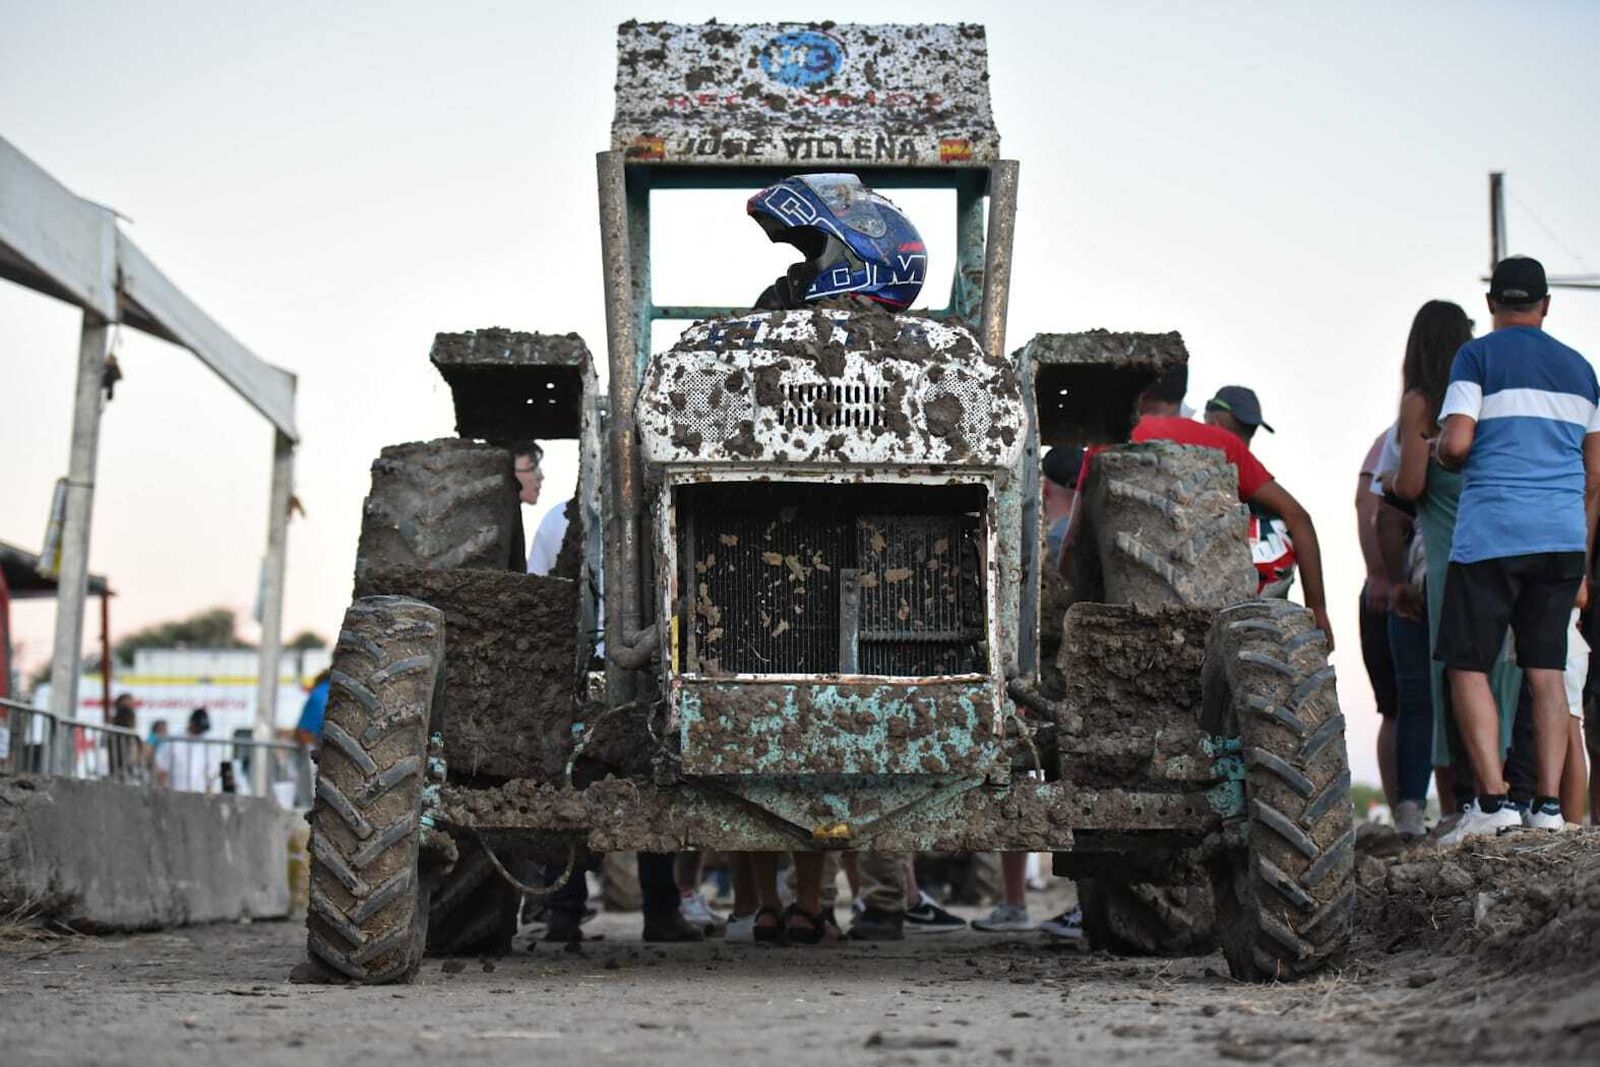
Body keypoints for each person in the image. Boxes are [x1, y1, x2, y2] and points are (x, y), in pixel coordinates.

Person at [1433, 256, 1599, 840]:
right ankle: (1548, 809)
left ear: (1491, 305)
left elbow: (1456, 442)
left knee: (1468, 663)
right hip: (1561, 540)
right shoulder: (1582, 370)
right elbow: (1595, 473)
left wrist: (1441, 453)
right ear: (1546, 304)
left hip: (1492, 536)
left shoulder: (1475, 356)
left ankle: (1493, 802)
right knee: (1547, 668)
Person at [1061, 366, 1333, 648]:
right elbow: (1299, 517)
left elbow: (1070, 548)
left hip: (1127, 636)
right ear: (1182, 395)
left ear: (1138, 393)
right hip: (1217, 633)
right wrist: (1317, 608)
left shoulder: (1108, 441)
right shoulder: (1225, 444)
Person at [1204, 386, 1296, 597]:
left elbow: (1300, 519)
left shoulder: (1267, 502)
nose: (1242, 444)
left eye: (1248, 432)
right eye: (1239, 431)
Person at [155, 707, 216, 793]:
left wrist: (209, 792)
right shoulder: (174, 740)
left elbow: (211, 772)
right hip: (176, 792)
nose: (200, 731)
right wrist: (164, 790)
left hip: (198, 794)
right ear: (192, 723)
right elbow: (162, 768)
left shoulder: (207, 744)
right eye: (198, 727)